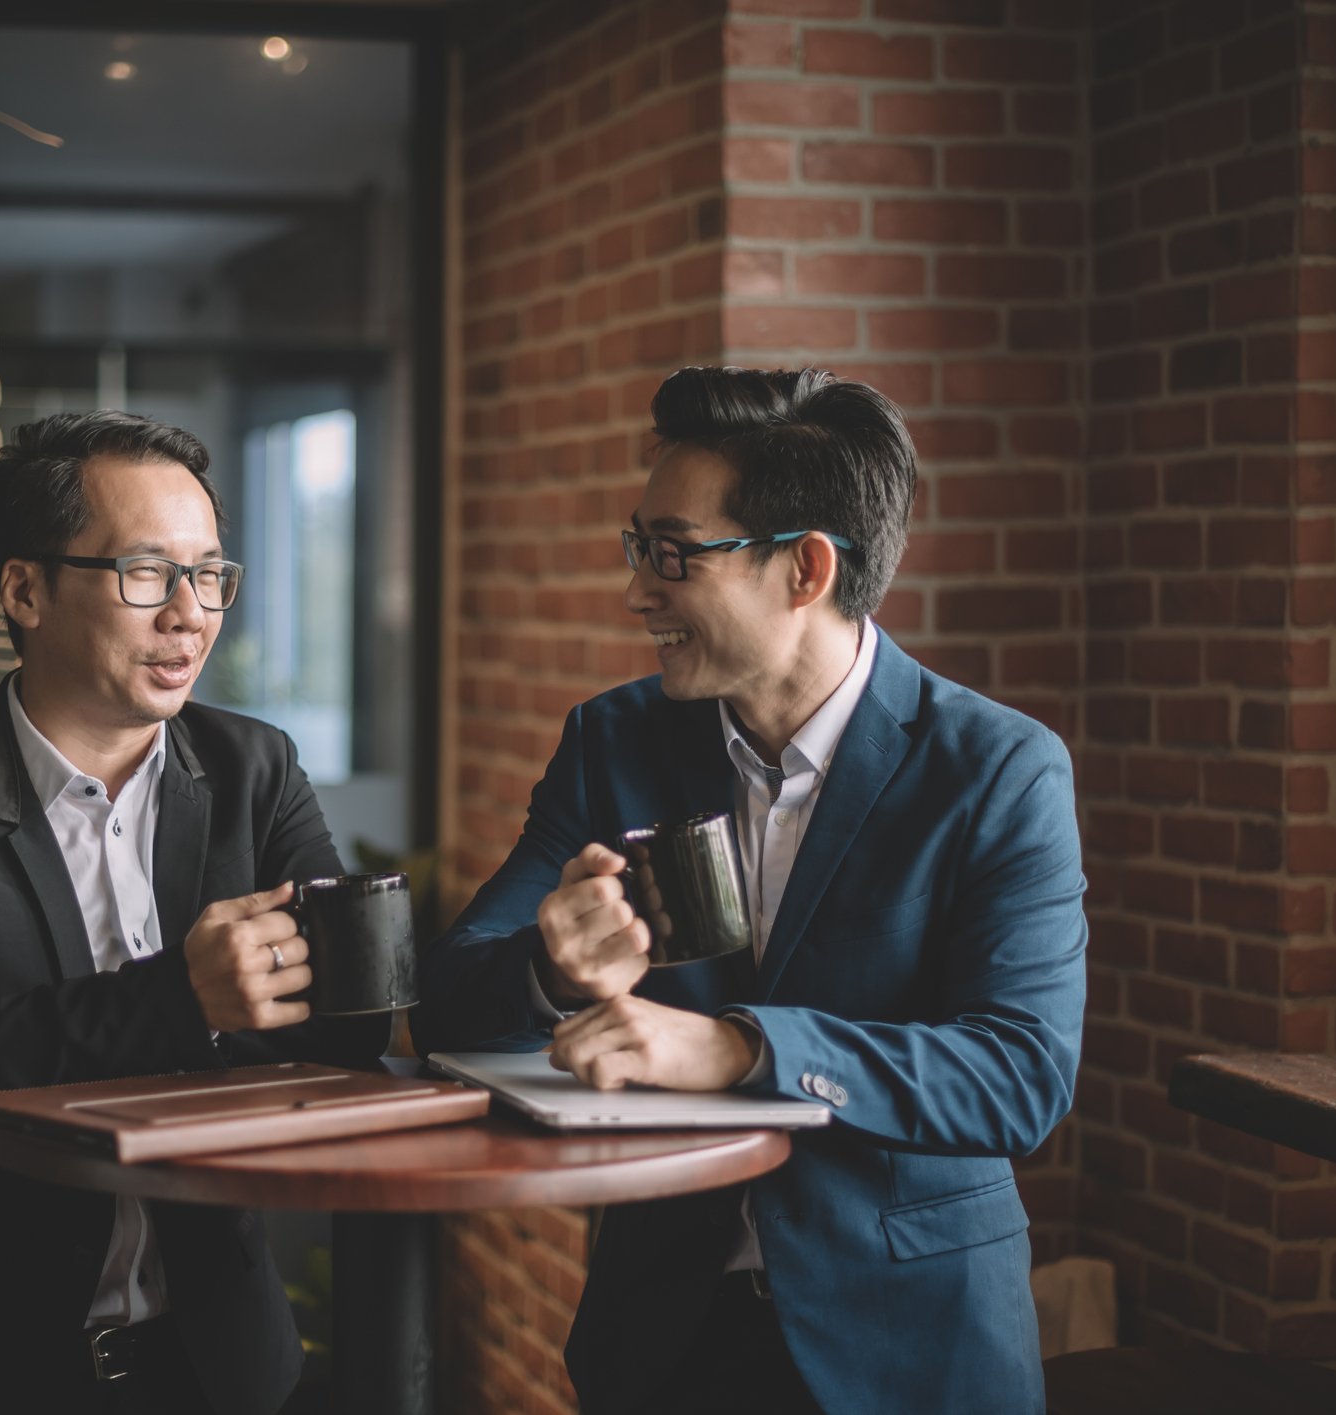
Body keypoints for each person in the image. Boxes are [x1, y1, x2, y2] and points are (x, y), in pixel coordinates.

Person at [412, 367, 1086, 1415]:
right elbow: (446, 999)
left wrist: (739, 1048)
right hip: (666, 1343)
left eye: (673, 553)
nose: (638, 592)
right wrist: (550, 966)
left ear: (805, 567)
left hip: (911, 1345)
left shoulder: (997, 768)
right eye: (638, 547)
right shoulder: (611, 743)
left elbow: (1019, 1075)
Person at [0, 411, 385, 1415]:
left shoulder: (255, 769)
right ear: (24, 589)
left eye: (209, 574)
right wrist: (184, 998)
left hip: (214, 1360)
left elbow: (345, 1020)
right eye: (146, 571)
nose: (189, 614)